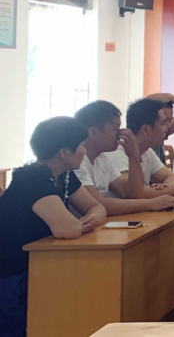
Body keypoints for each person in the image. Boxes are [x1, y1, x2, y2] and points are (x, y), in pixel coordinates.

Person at [0, 118, 107, 337]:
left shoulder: (64, 175)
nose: (85, 151)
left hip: (38, 266)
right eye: (82, 145)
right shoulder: (33, 180)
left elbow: (97, 207)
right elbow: (68, 230)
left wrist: (91, 219)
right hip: (13, 275)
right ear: (64, 152)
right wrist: (80, 223)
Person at [71, 101, 174, 215]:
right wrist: (150, 203)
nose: (120, 133)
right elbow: (96, 204)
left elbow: (132, 194)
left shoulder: (102, 158)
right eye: (115, 129)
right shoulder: (77, 160)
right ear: (93, 132)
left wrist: (133, 155)